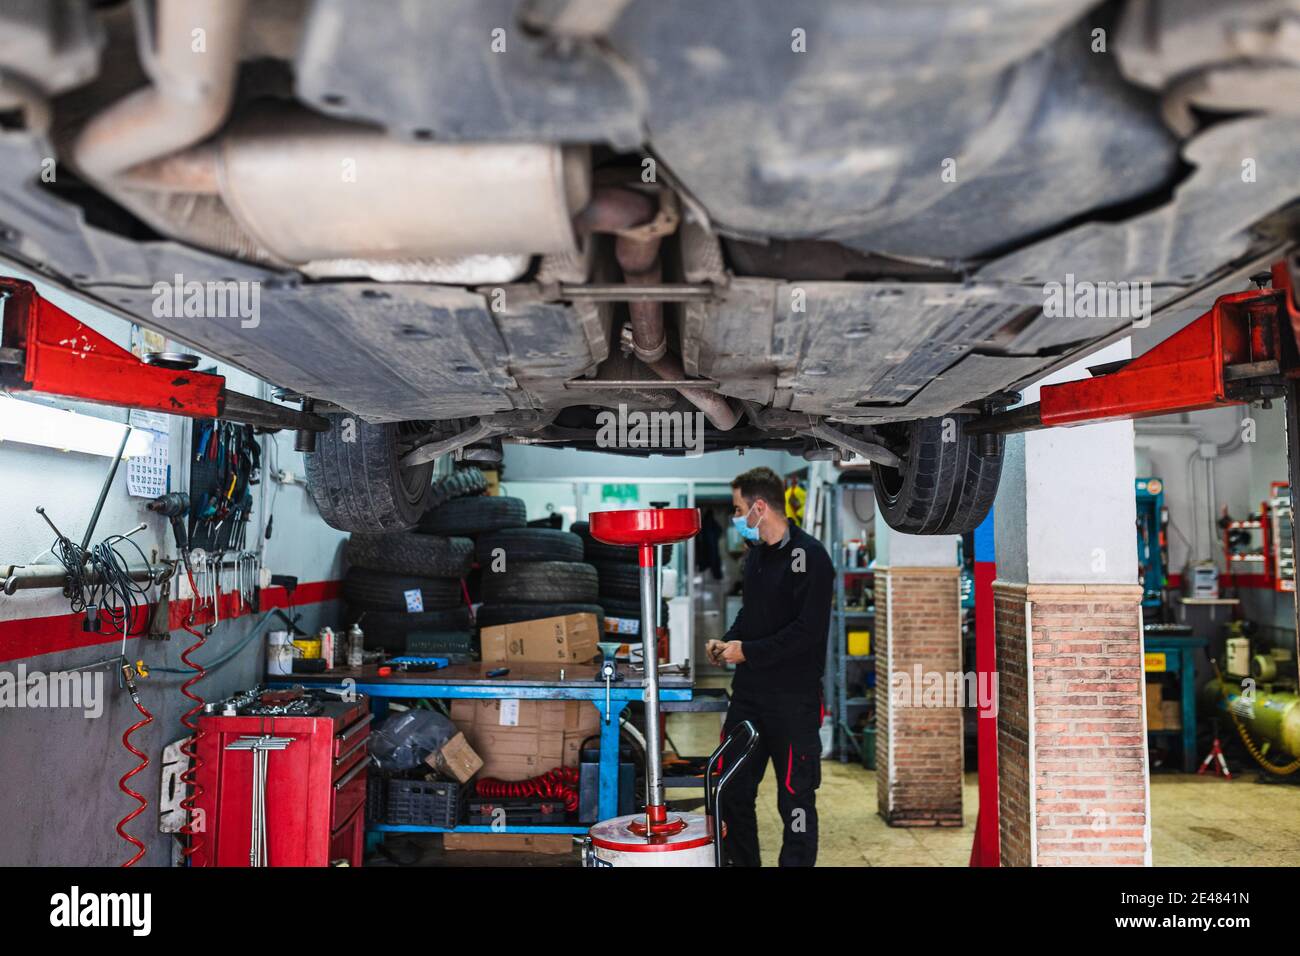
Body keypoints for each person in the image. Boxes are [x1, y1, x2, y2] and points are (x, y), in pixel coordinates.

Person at [707, 466, 833, 866]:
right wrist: (728, 641)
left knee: (794, 801)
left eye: (739, 508)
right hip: (749, 699)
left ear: (760, 507)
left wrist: (749, 652)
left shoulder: (810, 557)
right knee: (730, 791)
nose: (736, 517)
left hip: (792, 704)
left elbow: (807, 632)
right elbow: (752, 613)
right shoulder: (757, 557)